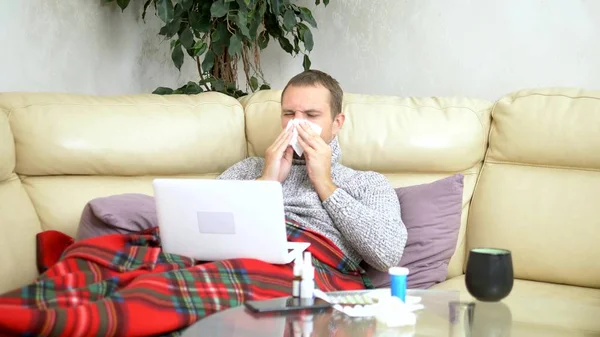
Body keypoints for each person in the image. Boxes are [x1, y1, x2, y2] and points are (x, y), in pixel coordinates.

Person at [217, 70, 407, 272]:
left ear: (337, 123)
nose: (296, 124)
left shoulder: (367, 183)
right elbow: (204, 226)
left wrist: (325, 184)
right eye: (289, 114)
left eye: (311, 115)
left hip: (308, 270)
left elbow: (388, 255)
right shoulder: (249, 168)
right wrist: (264, 184)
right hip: (238, 258)